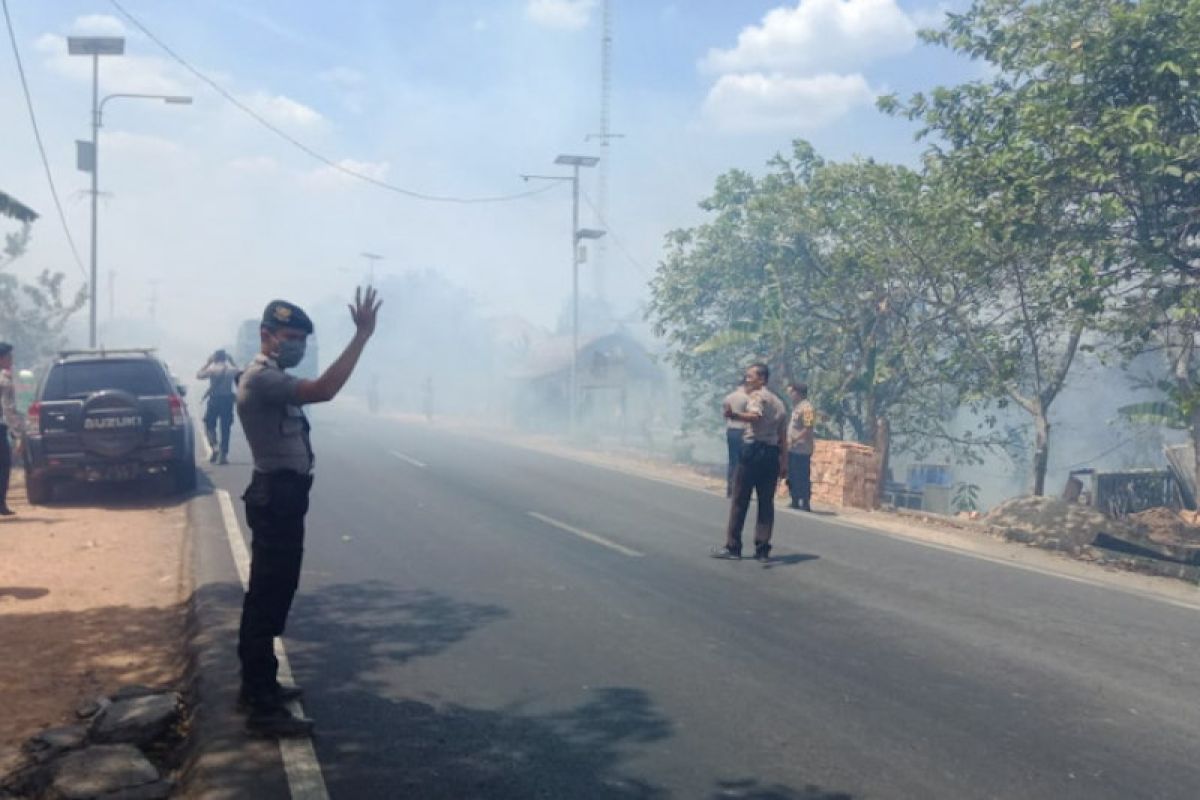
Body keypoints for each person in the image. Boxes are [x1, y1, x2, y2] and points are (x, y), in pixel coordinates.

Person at [235, 288, 381, 737]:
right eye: (289, 335)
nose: (296, 343)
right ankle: (261, 706)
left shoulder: (273, 375)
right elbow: (325, 390)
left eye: (301, 336)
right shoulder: (262, 378)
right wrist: (361, 337)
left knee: (273, 595)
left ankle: (259, 685)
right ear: (266, 335)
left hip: (283, 497)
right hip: (276, 498)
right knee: (267, 598)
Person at [714, 363, 788, 562]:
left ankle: (733, 546)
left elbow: (755, 416)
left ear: (762, 380)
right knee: (766, 503)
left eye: (750, 377)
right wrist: (784, 461)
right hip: (772, 454)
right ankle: (762, 549)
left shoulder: (757, 396)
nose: (747, 380)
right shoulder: (780, 403)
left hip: (753, 450)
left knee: (740, 500)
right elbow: (783, 436)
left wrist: (735, 415)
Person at [196, 349, 238, 464]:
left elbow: (199, 375)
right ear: (225, 358)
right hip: (227, 400)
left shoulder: (212, 369)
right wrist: (232, 361)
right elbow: (240, 374)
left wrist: (208, 363)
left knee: (209, 423)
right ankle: (223, 454)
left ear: (215, 358)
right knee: (225, 427)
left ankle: (214, 446)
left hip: (214, 400)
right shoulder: (231, 370)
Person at [0, 343, 25, 516]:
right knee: (3, 466)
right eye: (9, 357)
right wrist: (19, 432)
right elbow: (8, 408)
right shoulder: (4, 379)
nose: (11, 360)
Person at [786, 382, 816, 511]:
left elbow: (808, 428)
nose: (790, 395)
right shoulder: (797, 407)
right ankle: (794, 499)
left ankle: (805, 501)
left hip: (802, 448)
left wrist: (795, 439)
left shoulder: (807, 408)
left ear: (798, 393)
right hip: (793, 448)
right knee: (792, 475)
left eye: (792, 392)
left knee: (802, 475)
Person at [722, 380, 749, 497]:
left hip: (731, 430)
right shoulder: (748, 399)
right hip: (742, 431)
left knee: (732, 460)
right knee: (741, 461)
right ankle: (738, 488)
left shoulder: (728, 397)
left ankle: (730, 488)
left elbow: (725, 415)